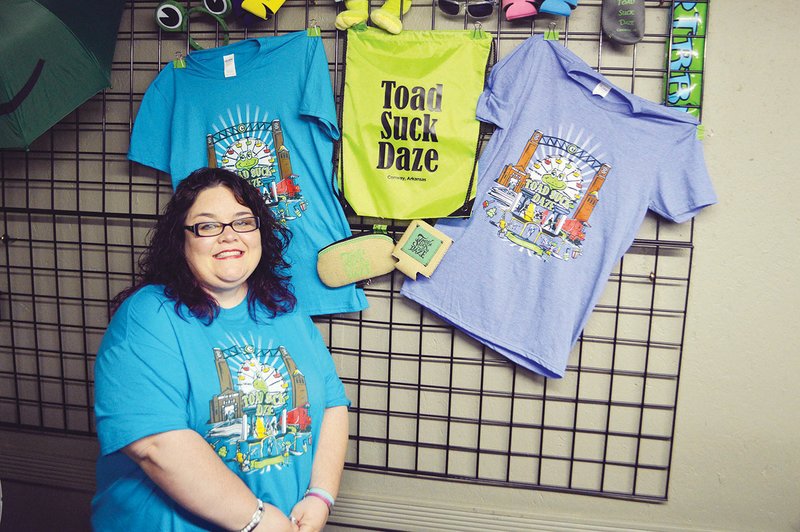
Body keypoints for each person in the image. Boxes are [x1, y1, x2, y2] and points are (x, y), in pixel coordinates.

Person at [92, 167, 349, 532]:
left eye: (243, 222)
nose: (229, 236)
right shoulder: (148, 317)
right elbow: (156, 445)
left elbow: (333, 404)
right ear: (180, 240)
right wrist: (258, 521)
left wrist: (321, 496)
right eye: (208, 226)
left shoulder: (285, 310)